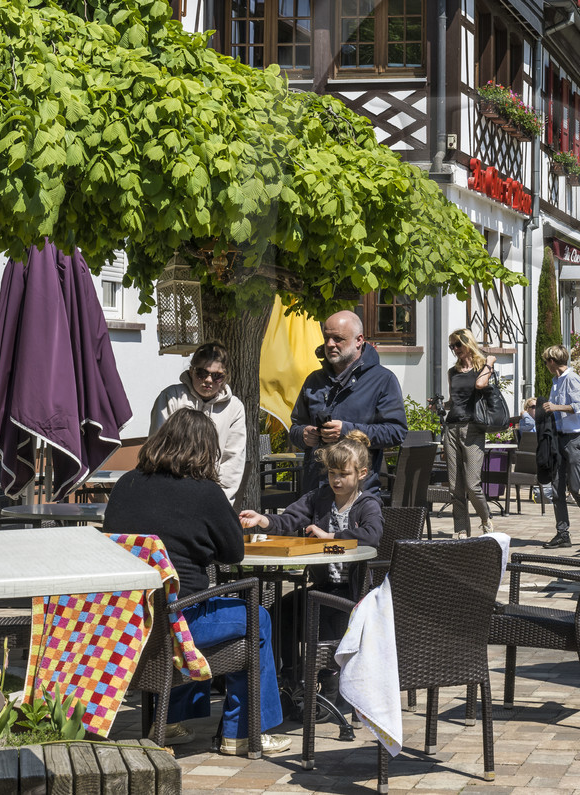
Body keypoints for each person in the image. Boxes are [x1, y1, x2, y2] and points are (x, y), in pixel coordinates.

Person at [102, 409, 290, 756]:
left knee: (189, 603)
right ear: (205, 451)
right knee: (256, 618)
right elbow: (233, 552)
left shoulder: (126, 484)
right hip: (180, 622)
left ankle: (172, 720)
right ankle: (244, 732)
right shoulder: (205, 492)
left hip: (130, 623)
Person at [239, 436, 383, 655]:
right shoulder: (320, 498)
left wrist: (330, 536)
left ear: (361, 474)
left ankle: (329, 678)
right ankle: (291, 678)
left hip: (353, 592)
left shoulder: (367, 504)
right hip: (323, 586)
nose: (336, 480)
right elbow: (289, 520)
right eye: (333, 472)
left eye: (344, 474)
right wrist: (262, 520)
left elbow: (372, 535)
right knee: (280, 611)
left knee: (317, 616)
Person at [290, 310, 405, 494]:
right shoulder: (314, 381)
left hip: (359, 494)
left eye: (338, 338)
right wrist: (303, 434)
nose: (330, 344)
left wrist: (346, 431)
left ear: (359, 340)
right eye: (326, 337)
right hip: (315, 492)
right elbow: (295, 427)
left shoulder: (383, 380)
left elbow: (396, 432)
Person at [150, 343, 249, 501]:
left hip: (212, 496)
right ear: (191, 371)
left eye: (217, 376)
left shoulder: (234, 408)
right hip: (171, 493)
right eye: (202, 373)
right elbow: (158, 449)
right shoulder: (171, 397)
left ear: (226, 377)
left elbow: (232, 461)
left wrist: (218, 502)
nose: (209, 380)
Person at [441, 329, 498, 537]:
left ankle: (485, 517)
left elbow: (480, 385)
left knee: (472, 484)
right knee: (455, 487)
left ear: (468, 343)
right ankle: (461, 530)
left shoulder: (483, 367)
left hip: (473, 428)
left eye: (458, 345)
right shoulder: (452, 372)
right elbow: (454, 402)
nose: (455, 350)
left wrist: (489, 363)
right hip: (452, 427)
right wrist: (439, 406)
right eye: (452, 346)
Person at [540, 344, 580, 549]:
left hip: (575, 440)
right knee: (557, 489)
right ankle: (562, 533)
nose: (546, 366)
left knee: (577, 487)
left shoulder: (572, 379)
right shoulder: (557, 381)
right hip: (560, 439)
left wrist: (555, 407)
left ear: (552, 361)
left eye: (546, 362)